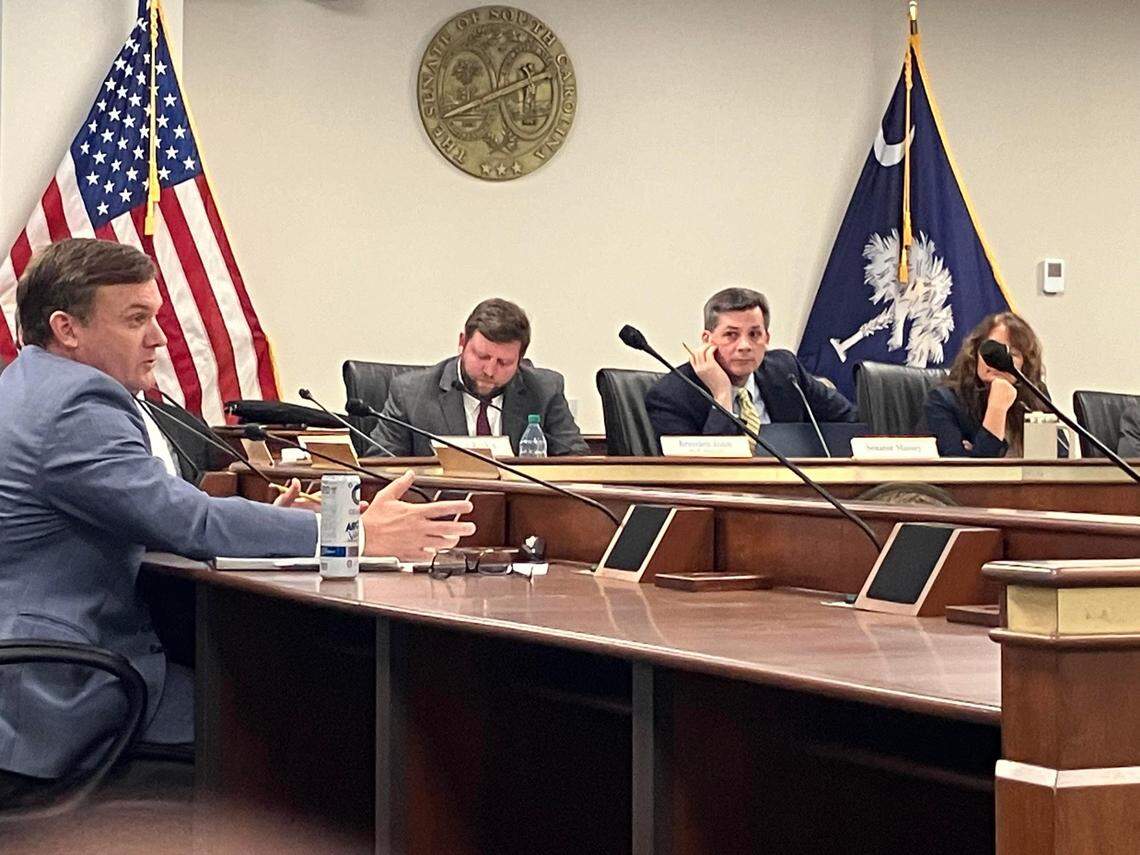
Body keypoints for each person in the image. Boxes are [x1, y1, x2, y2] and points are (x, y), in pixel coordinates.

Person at [0, 238, 474, 783]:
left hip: (42, 662)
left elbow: (135, 507)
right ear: (67, 328)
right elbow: (187, 522)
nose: (158, 337)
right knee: (305, 722)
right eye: (136, 319)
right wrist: (354, 533)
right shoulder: (76, 404)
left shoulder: (28, 384)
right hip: (54, 688)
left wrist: (272, 523)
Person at [370, 298, 589, 457]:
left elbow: (578, 462)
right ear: (462, 343)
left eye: (504, 362)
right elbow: (379, 466)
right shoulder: (411, 393)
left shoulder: (544, 390)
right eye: (482, 356)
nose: (490, 371)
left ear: (520, 359)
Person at [644, 287, 857, 448]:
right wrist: (721, 395)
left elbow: (851, 421)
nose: (744, 346)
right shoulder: (671, 396)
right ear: (707, 340)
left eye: (754, 334)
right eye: (731, 335)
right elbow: (704, 470)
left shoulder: (785, 371)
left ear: (767, 338)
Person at [924, 312, 1045, 458]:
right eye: (992, 351)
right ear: (975, 353)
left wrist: (974, 450)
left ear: (1025, 364)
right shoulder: (943, 401)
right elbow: (968, 472)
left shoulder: (1035, 394)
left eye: (1012, 354)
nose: (998, 361)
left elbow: (1059, 456)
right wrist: (997, 409)